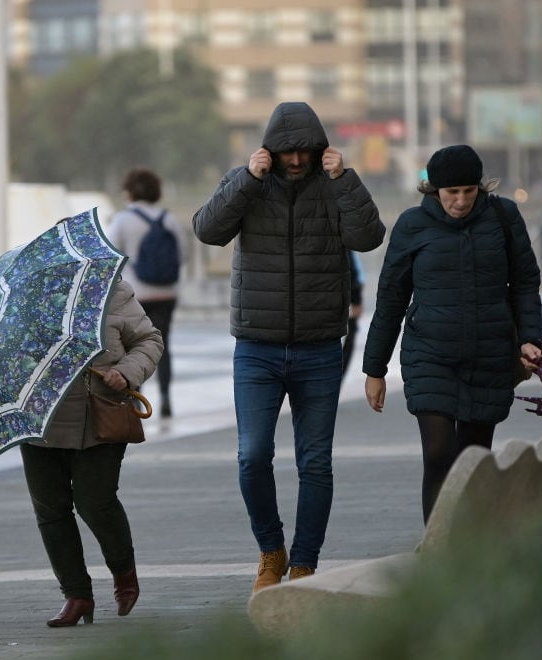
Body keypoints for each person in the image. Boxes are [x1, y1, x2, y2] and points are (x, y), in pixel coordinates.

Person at [193, 101, 386, 592]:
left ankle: (304, 563)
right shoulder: (249, 183)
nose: (296, 160)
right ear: (270, 150)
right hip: (256, 346)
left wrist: (346, 179)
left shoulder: (333, 184)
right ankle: (271, 549)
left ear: (318, 147)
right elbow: (207, 230)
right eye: (286, 152)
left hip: (320, 347)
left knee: (314, 462)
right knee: (252, 455)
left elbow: (368, 236)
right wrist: (247, 180)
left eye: (304, 150)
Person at [361, 144, 542, 524]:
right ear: (434, 190)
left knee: (474, 458)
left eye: (468, 191)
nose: (460, 201)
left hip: (489, 352)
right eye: (451, 193)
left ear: (480, 187)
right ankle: (437, 549)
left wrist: (530, 338)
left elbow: (525, 282)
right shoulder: (412, 225)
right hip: (430, 354)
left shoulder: (503, 217)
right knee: (440, 452)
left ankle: (468, 550)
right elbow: (391, 298)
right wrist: (374, 368)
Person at [20, 279, 163, 627]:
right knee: (50, 509)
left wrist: (125, 372)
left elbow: (149, 340)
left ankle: (124, 574)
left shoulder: (112, 290)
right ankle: (77, 595)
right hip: (39, 418)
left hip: (101, 414)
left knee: (94, 501)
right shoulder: (28, 296)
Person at [106, 167, 188, 417]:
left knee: (133, 349)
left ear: (129, 192)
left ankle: (135, 398)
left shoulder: (122, 220)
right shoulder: (169, 220)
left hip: (135, 297)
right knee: (161, 345)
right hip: (166, 294)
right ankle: (164, 397)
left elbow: (110, 256)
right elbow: (182, 255)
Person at [341, 250, 365, 379]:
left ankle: (340, 377)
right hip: (350, 293)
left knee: (350, 338)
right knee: (349, 339)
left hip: (352, 292)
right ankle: (339, 376)